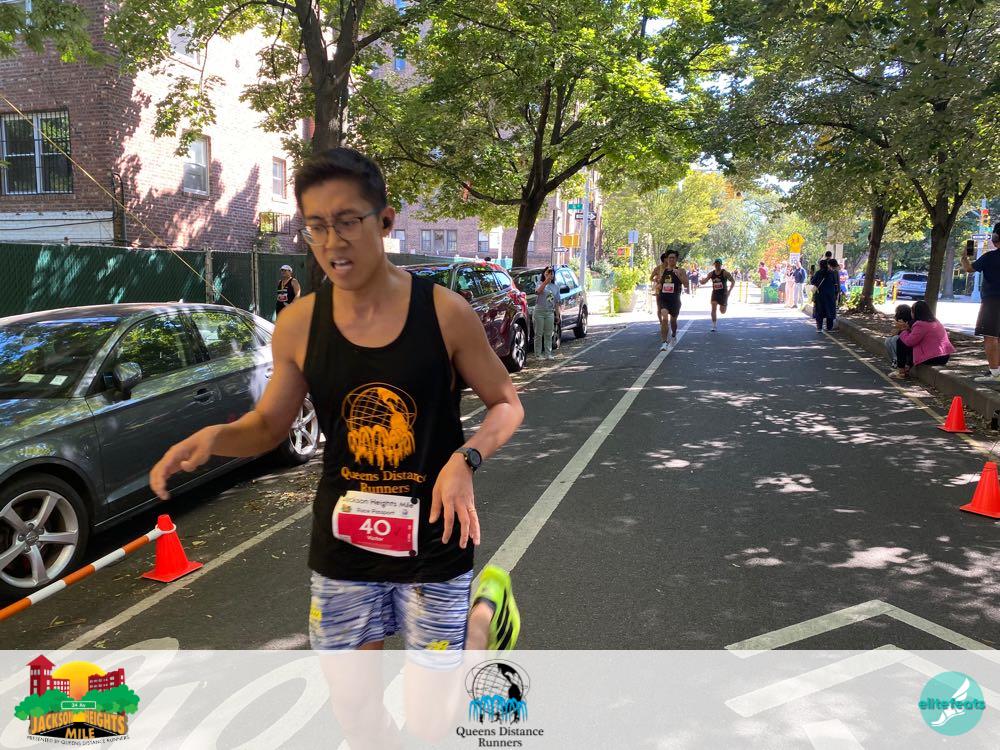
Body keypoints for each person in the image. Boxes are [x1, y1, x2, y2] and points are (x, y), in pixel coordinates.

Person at [151, 149, 525, 668]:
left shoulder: (445, 313)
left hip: (435, 539)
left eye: (347, 222)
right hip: (345, 542)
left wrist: (466, 459)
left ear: (385, 222)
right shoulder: (299, 325)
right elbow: (269, 426)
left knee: (436, 707)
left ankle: (482, 616)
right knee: (356, 711)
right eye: (317, 226)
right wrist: (214, 438)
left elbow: (506, 404)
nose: (332, 242)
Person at [962, 223, 1000, 383]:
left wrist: (964, 257)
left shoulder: (990, 257)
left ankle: (995, 374)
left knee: (990, 336)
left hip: (993, 301)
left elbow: (969, 269)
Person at [891, 300, 956, 379]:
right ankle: (907, 367)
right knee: (911, 344)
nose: (911, 313)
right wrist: (907, 328)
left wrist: (902, 331)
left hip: (934, 357)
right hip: (944, 356)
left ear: (916, 312)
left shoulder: (920, 324)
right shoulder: (934, 321)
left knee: (901, 342)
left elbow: (909, 342)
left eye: (912, 311)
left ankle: (901, 371)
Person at [656, 250, 689, 350]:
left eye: (673, 258)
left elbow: (686, 284)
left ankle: (674, 334)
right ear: (667, 259)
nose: (671, 259)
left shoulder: (681, 270)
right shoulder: (664, 271)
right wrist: (659, 285)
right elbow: (661, 283)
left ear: (676, 259)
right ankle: (664, 342)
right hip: (664, 298)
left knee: (673, 321)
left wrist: (679, 275)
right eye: (669, 258)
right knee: (664, 318)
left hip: (675, 300)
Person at [533, 266, 560, 359]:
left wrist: (557, 315)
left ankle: (548, 354)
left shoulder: (556, 287)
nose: (550, 275)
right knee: (538, 334)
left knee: (548, 334)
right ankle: (538, 354)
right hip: (539, 311)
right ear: (544, 274)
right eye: (548, 273)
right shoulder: (539, 283)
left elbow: (557, 302)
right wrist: (545, 282)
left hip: (550, 312)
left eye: (551, 273)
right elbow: (538, 292)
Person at [701, 258, 735, 331]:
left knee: (722, 311)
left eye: (719, 264)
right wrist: (702, 281)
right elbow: (705, 281)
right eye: (716, 264)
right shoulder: (711, 273)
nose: (717, 265)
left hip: (723, 294)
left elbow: (733, 281)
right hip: (715, 293)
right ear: (714, 265)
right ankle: (714, 326)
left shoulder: (725, 273)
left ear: (721, 264)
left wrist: (729, 291)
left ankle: (725, 305)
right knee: (713, 307)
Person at [811, 258, 839, 332]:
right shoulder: (832, 273)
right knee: (829, 311)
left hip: (820, 295)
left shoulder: (818, 273)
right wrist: (836, 294)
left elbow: (813, 282)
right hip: (830, 295)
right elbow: (835, 284)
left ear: (820, 265)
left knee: (819, 311)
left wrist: (812, 275)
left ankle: (819, 328)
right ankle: (829, 328)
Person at [884, 304, 914, 370]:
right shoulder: (899, 320)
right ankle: (895, 361)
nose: (896, 314)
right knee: (888, 340)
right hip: (904, 341)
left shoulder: (911, 322)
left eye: (897, 312)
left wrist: (904, 328)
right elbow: (894, 332)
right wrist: (898, 329)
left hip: (908, 344)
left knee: (895, 339)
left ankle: (900, 365)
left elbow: (910, 335)